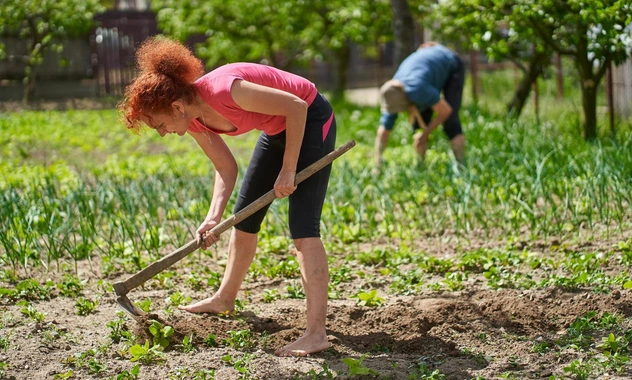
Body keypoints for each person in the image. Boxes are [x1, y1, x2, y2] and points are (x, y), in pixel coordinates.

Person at [119, 36, 336, 357]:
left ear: (176, 107)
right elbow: (225, 167)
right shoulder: (192, 120)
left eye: (160, 124)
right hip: (277, 131)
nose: (162, 132)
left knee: (303, 230)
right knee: (245, 218)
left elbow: (296, 106)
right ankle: (225, 298)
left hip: (310, 119)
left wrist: (289, 170)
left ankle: (316, 333)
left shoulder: (224, 89)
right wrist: (213, 216)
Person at [374, 42, 466, 167]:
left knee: (451, 122)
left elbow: (446, 111)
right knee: (420, 124)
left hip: (451, 63)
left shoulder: (416, 89)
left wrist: (425, 134)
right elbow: (384, 131)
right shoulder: (392, 93)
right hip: (429, 71)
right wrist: (377, 164)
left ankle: (462, 167)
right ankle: (421, 167)